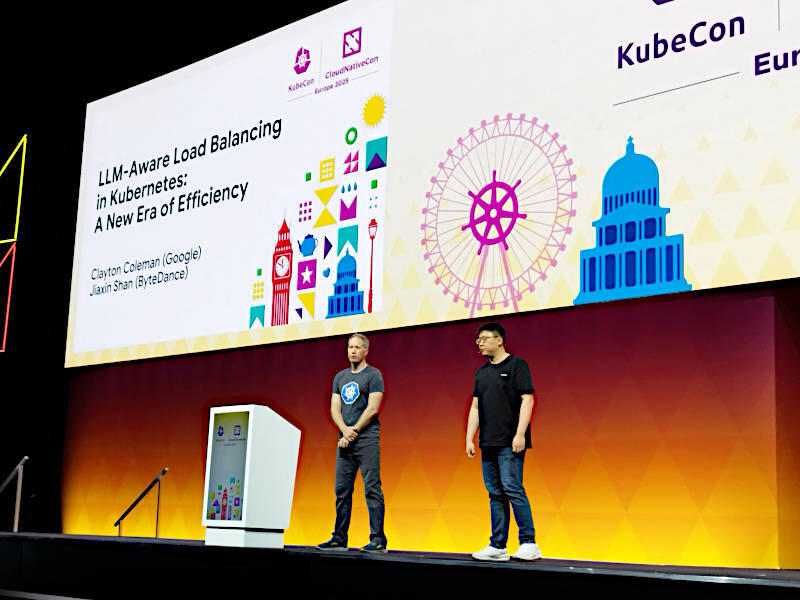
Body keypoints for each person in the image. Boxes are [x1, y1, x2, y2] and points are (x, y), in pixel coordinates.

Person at [466, 322, 542, 561]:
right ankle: (498, 545)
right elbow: (475, 407)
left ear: (499, 340)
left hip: (510, 441)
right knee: (495, 493)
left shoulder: (517, 365)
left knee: (512, 488)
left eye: (484, 339)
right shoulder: (481, 373)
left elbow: (528, 399)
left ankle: (529, 542)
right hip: (488, 441)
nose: (480, 344)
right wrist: (469, 438)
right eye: (478, 340)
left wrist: (520, 434)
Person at [317, 333, 388, 553]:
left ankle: (378, 539)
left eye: (357, 347)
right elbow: (334, 408)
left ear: (366, 351)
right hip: (345, 439)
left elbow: (373, 408)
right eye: (350, 347)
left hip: (366, 439)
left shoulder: (374, 375)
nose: (353, 351)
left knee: (372, 488)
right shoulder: (340, 377)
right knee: (342, 490)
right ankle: (339, 537)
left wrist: (353, 431)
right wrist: (344, 431)